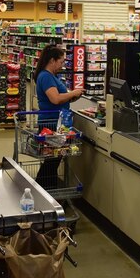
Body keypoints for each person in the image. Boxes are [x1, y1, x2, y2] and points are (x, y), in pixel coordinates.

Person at [34, 45, 83, 189]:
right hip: (51, 124)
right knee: (52, 161)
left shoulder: (50, 76)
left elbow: (61, 98)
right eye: (61, 62)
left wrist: (73, 96)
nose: (62, 65)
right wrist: (73, 92)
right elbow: (55, 99)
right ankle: (44, 191)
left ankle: (45, 191)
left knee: (52, 161)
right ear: (52, 60)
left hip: (56, 123)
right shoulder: (46, 76)